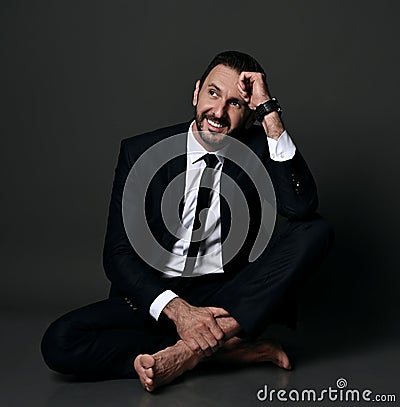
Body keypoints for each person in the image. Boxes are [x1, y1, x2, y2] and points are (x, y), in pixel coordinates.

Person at [41, 50, 333, 392]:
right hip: (157, 295)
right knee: (60, 342)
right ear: (196, 92)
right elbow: (117, 255)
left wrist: (268, 111)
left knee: (317, 230)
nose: (219, 113)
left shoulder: (257, 149)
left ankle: (186, 353)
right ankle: (227, 353)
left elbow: (302, 208)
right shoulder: (141, 153)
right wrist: (179, 311)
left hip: (224, 296)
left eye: (236, 103)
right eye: (213, 93)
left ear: (249, 114)